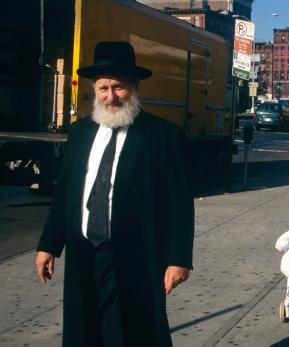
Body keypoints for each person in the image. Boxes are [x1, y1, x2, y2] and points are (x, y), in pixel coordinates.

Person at [34, 41, 195, 346]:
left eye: (118, 88)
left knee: (135, 332)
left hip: (136, 254)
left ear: (134, 87)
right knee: (85, 329)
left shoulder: (162, 136)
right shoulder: (81, 133)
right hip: (84, 253)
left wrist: (178, 260)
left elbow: (180, 205)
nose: (110, 96)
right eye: (103, 88)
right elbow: (66, 195)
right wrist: (48, 245)